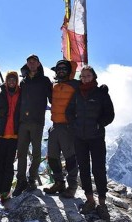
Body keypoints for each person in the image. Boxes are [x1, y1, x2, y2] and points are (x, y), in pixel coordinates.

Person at [66, 65, 115, 221]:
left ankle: (102, 203)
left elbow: (110, 114)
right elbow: (69, 111)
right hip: (79, 138)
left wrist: (99, 124)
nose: (85, 78)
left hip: (96, 137)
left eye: (87, 76)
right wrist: (74, 125)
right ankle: (90, 200)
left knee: (99, 169)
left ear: (94, 77)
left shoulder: (101, 94)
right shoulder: (77, 94)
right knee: (84, 169)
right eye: (83, 76)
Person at [12, 54, 52, 197]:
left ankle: (32, 180)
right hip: (23, 122)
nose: (32, 64)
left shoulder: (45, 81)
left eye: (34, 62)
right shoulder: (23, 82)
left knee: (36, 154)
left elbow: (53, 99)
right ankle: (21, 181)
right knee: (21, 153)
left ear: (39, 64)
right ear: (27, 64)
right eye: (30, 62)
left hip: (37, 122)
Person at [43, 60, 79, 198]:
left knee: (70, 158)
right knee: (52, 157)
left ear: (69, 71)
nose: (61, 70)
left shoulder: (76, 85)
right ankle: (59, 182)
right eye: (59, 69)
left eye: (64, 68)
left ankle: (72, 186)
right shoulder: (55, 86)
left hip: (68, 127)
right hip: (55, 126)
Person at [0, 71, 21, 203]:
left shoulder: (21, 94)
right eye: (10, 80)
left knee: (8, 165)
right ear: (6, 82)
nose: (12, 82)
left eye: (14, 80)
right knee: (0, 164)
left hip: (14, 135)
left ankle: (5, 191)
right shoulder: (0, 95)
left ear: (17, 81)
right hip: (2, 135)